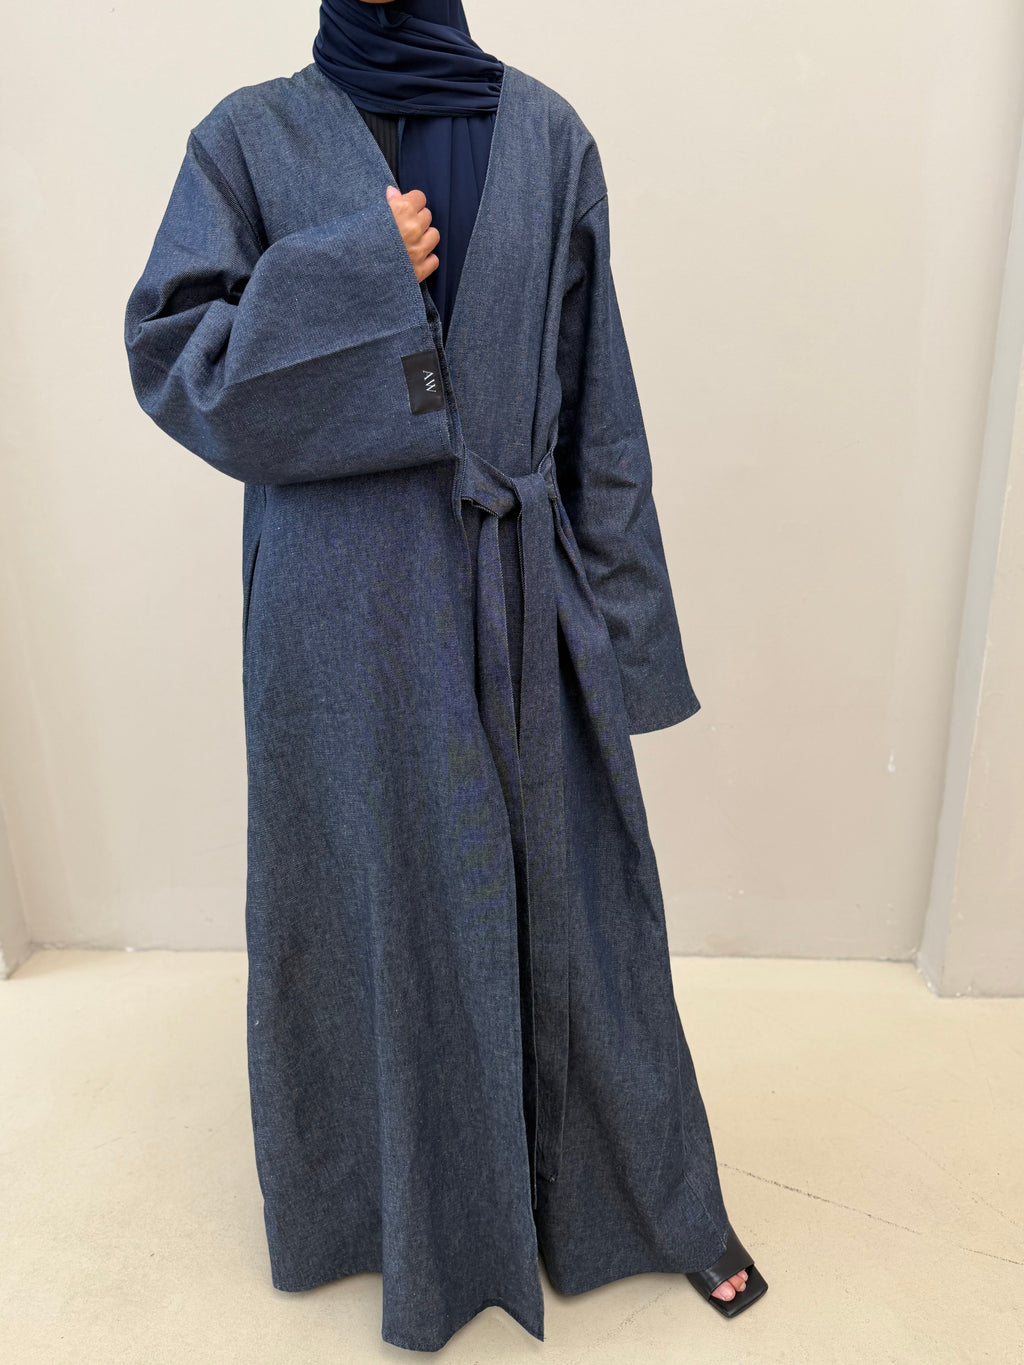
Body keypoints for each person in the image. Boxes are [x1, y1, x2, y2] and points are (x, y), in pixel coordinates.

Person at [123, 0, 768, 1351]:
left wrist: (625, 642)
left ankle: (623, 1198)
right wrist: (359, 272)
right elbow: (175, 361)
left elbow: (600, 412)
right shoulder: (245, 139)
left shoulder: (549, 137)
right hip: (337, 616)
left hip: (517, 580)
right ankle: (393, 1221)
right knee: (370, 909)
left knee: (576, 900)